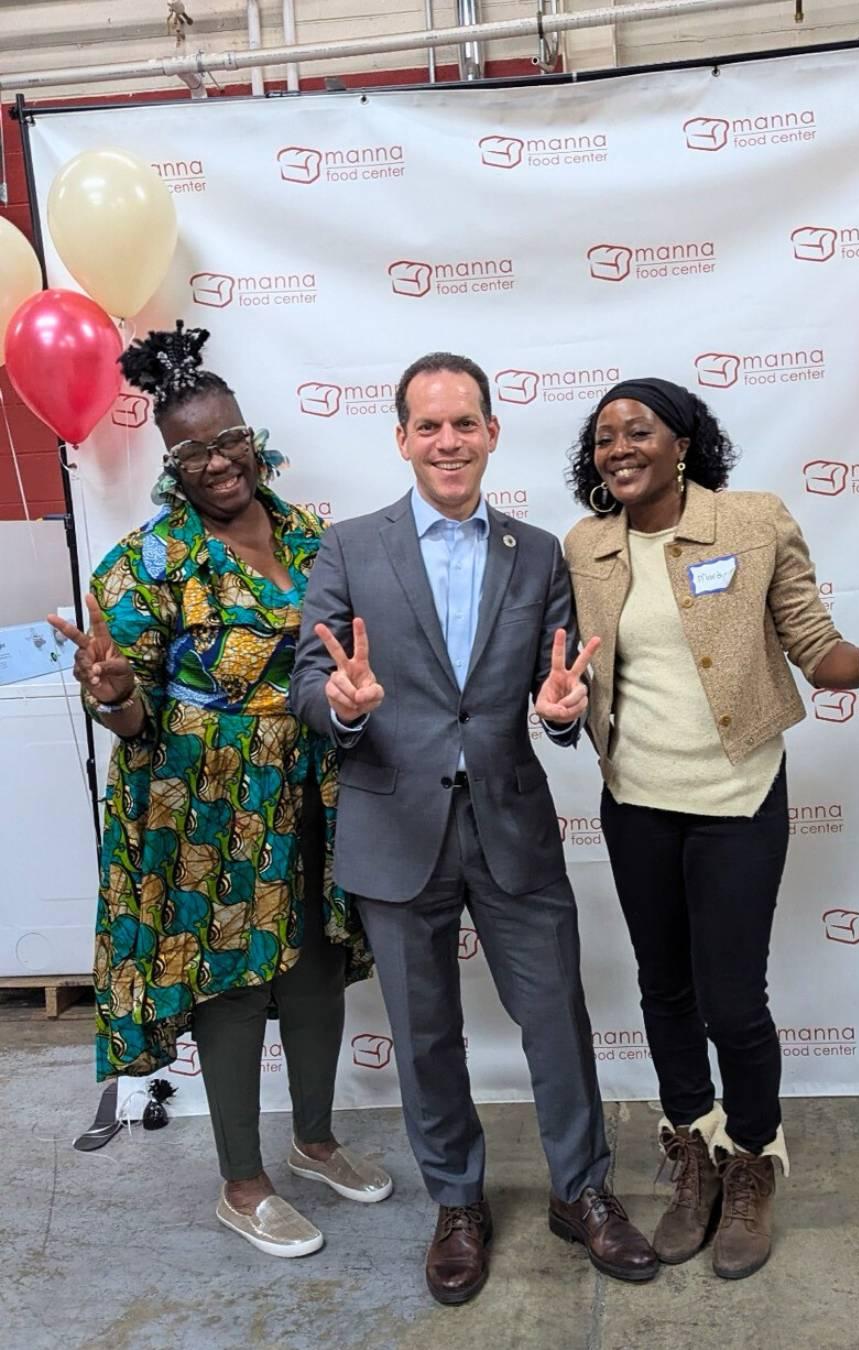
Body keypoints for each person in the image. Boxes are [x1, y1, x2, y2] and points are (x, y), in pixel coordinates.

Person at [563, 377, 859, 1280]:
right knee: (665, 990)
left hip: (737, 798)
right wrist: (560, 707)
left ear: (683, 442)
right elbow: (570, 670)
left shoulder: (753, 522)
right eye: (604, 438)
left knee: (732, 1000)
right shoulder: (586, 545)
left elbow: (814, 645)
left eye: (637, 431)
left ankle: (753, 1161)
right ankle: (693, 1152)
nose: (618, 449)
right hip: (635, 800)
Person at [290, 352, 658, 1305]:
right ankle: (457, 1203)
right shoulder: (349, 547)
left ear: (492, 432)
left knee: (557, 1018)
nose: (448, 441)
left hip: (511, 823)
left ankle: (581, 1192)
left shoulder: (536, 552)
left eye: (465, 424)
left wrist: (565, 710)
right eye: (429, 426)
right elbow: (308, 681)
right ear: (402, 439)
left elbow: (559, 682)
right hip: (392, 827)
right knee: (424, 1036)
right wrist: (342, 704)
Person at [48, 322, 391, 1259]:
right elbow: (131, 718)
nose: (216, 462)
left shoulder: (316, 539)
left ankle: (315, 1140)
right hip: (208, 809)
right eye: (191, 451)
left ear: (252, 437)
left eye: (227, 439)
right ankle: (243, 1183)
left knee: (317, 964)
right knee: (234, 985)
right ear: (171, 466)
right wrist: (113, 694)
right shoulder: (148, 564)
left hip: (317, 788)